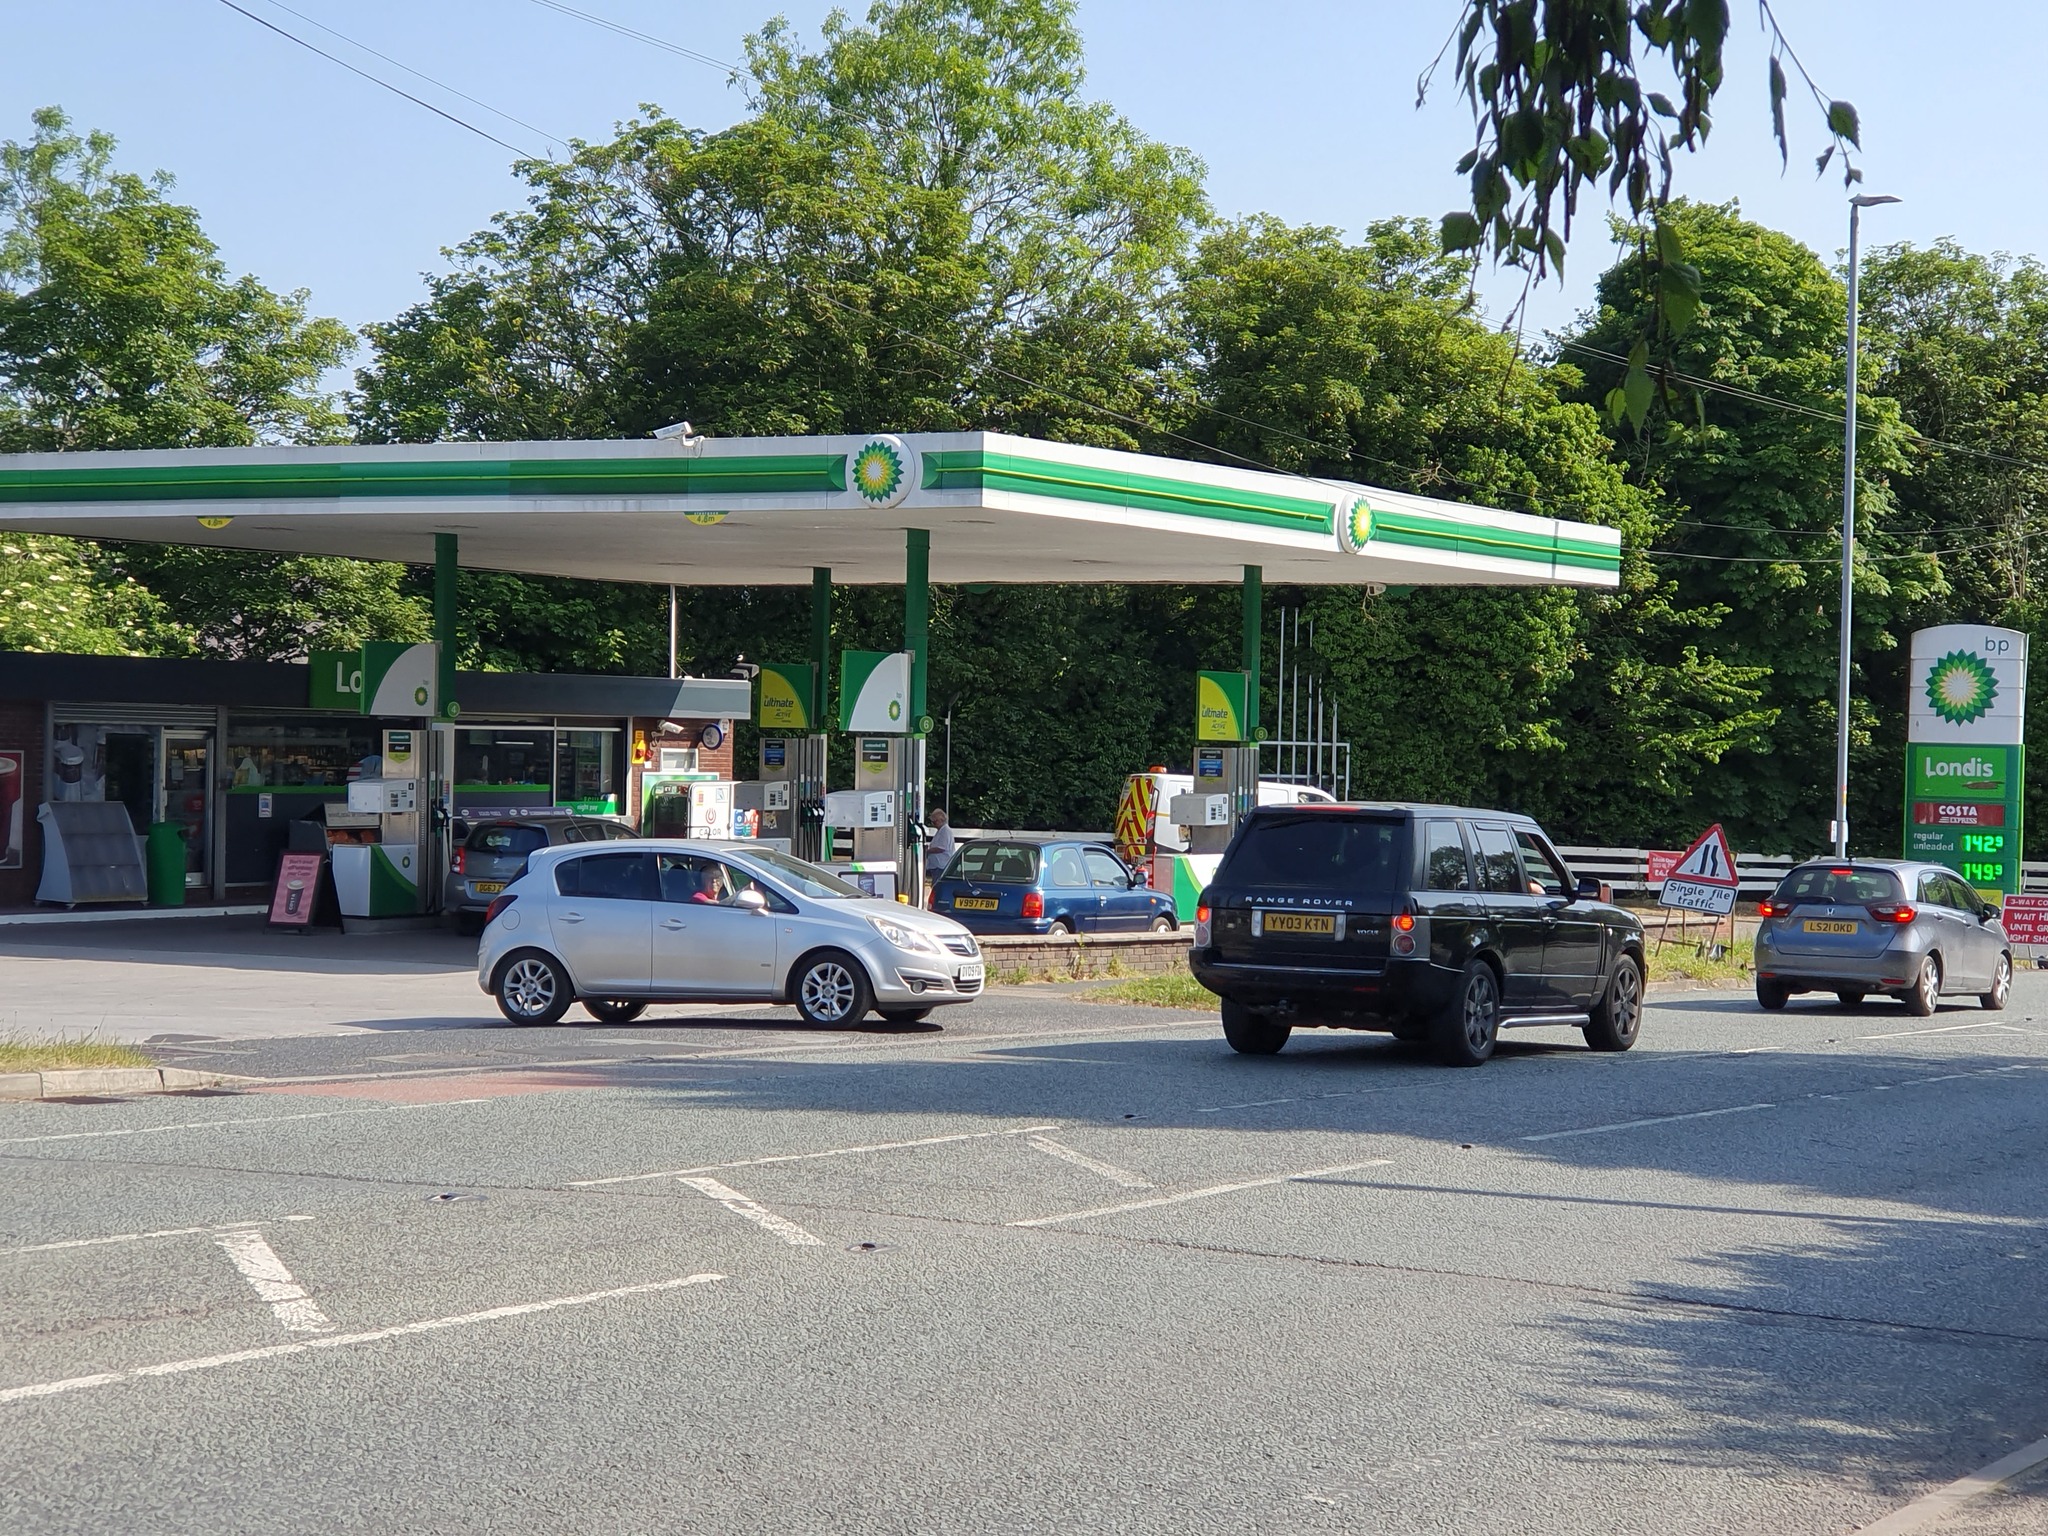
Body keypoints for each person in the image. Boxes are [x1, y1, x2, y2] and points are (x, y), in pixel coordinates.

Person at [924, 807, 957, 882]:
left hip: (941, 866)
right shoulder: (942, 830)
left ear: (941, 820)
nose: (933, 823)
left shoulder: (945, 831)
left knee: (937, 886)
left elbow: (941, 848)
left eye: (935, 821)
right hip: (938, 866)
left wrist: (927, 851)